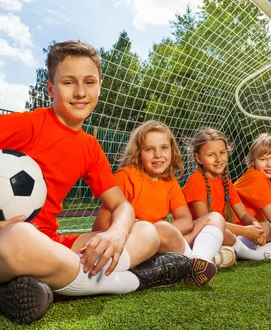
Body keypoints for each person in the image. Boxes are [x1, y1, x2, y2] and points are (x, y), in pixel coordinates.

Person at [0, 41, 190, 325]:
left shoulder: (89, 147)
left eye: (89, 82)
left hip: (53, 246)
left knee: (146, 231)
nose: (81, 92)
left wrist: (117, 234)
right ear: (51, 89)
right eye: (69, 82)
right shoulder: (24, 125)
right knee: (19, 238)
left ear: (99, 87)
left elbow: (121, 205)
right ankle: (130, 280)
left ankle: (40, 286)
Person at [93, 120, 226, 287]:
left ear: (172, 150)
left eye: (164, 148)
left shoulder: (169, 181)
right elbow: (100, 225)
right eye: (150, 149)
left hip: (165, 241)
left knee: (215, 218)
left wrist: (160, 232)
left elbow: (185, 221)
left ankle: (198, 259)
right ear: (138, 152)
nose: (158, 155)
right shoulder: (126, 177)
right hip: (135, 243)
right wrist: (144, 231)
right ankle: (193, 262)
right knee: (163, 228)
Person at [183, 128, 271, 263]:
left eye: (222, 153)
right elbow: (205, 222)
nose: (218, 159)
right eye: (211, 155)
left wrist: (255, 226)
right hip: (204, 236)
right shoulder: (196, 181)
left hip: (230, 234)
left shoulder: (226, 182)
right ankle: (252, 255)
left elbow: (243, 215)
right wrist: (245, 232)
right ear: (198, 158)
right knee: (226, 234)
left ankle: (229, 253)